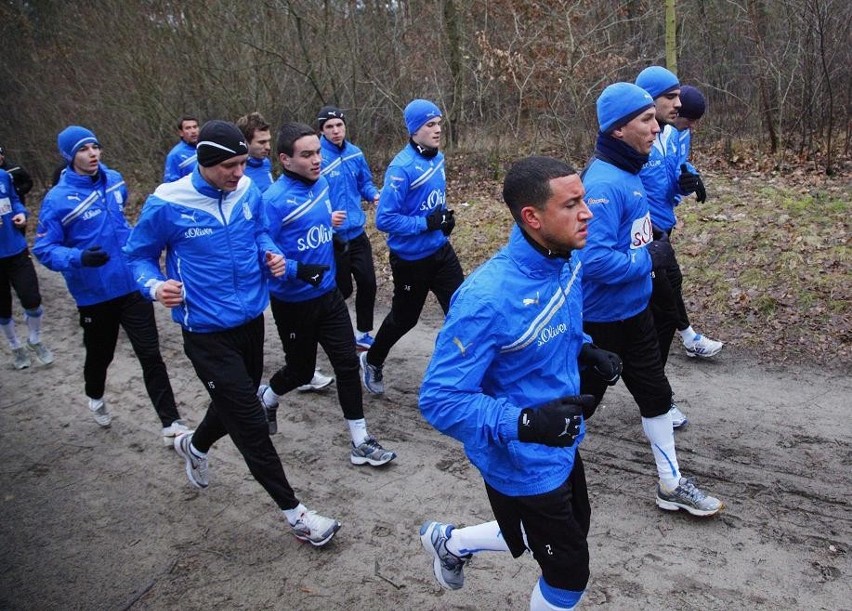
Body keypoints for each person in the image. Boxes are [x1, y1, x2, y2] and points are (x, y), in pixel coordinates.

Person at [123, 120, 341, 546]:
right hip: (204, 330)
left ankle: (194, 446)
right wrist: (155, 286)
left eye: (242, 163)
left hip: (250, 321)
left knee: (232, 402)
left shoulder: (247, 191)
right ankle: (296, 514)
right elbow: (138, 258)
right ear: (203, 163)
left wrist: (272, 254)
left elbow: (260, 232)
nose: (238, 173)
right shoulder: (168, 202)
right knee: (250, 421)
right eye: (228, 166)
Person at [418, 156, 619, 610]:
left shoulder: (565, 258)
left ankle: (451, 543)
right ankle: (453, 543)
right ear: (532, 217)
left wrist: (584, 348)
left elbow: (543, 329)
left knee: (570, 530)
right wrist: (526, 422)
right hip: (521, 457)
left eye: (583, 199)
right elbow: (439, 399)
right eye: (572, 204)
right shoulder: (485, 299)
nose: (588, 212)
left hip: (560, 440)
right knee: (569, 573)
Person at [579, 83, 723, 517]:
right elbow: (593, 261)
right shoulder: (602, 183)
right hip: (600, 321)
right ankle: (537, 470)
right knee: (580, 406)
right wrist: (648, 259)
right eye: (647, 120)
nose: (657, 128)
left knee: (656, 395)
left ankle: (671, 483)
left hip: (635, 311)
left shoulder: (630, 170)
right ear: (618, 130)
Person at [33, 126, 188, 443]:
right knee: (100, 356)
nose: (92, 154)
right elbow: (44, 249)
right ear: (69, 156)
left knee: (150, 355)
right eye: (83, 149)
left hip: (131, 285)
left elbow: (121, 221)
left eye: (95, 147)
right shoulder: (57, 200)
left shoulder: (115, 180)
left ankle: (171, 423)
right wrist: (78, 258)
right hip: (94, 295)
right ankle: (95, 394)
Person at [256, 122, 396, 467]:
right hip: (293, 303)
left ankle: (360, 441)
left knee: (347, 365)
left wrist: (334, 239)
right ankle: (268, 397)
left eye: (317, 152)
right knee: (301, 372)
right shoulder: (272, 201)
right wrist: (295, 269)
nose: (316, 160)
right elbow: (260, 246)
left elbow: (316, 227)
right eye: (307, 155)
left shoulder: (321, 185)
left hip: (328, 295)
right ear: (285, 160)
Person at [360, 99, 463, 395]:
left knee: (461, 309)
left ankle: (461, 375)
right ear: (414, 129)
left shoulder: (438, 157)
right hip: (410, 260)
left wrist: (443, 221)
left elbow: (432, 204)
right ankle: (372, 359)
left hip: (441, 252)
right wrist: (425, 224)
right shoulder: (401, 168)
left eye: (439, 123)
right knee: (405, 319)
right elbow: (385, 219)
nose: (437, 130)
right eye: (430, 125)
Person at [236, 110, 333, 393]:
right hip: (277, 277)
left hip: (301, 262)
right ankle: (291, 375)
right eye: (261, 142)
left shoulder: (265, 166)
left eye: (269, 141)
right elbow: (257, 235)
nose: (266, 146)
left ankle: (304, 367)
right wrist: (292, 268)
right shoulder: (242, 176)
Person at [635, 67, 723, 371]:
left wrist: (687, 180)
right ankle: (657, 386)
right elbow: (624, 183)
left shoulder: (669, 134)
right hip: (645, 232)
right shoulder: (635, 138)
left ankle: (653, 387)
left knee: (662, 297)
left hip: (663, 227)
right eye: (670, 98)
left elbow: (673, 170)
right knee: (664, 299)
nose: (677, 106)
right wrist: (645, 225)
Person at [317, 105, 381, 352]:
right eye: (329, 127)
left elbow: (364, 182)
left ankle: (363, 333)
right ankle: (331, 331)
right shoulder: (317, 157)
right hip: (332, 237)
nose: (335, 131)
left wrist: (374, 195)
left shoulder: (355, 153)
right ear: (321, 130)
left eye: (339, 126)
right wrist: (325, 216)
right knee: (341, 289)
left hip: (356, 232)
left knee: (368, 282)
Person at [1, 168, 53, 369]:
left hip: (16, 250)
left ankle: (34, 339)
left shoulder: (3, 176)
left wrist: (21, 213)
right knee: (3, 309)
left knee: (32, 300)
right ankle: (15, 347)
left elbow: (14, 200)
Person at [163, 115, 199, 182]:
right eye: (188, 128)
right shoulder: (175, 155)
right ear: (181, 133)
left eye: (195, 127)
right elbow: (170, 183)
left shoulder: (205, 148)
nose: (193, 131)